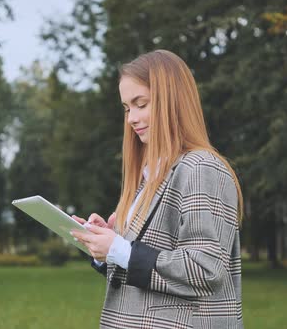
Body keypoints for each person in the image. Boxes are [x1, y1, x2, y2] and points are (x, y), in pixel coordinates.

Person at [70, 49, 243, 329]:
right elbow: (146, 271)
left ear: (172, 101)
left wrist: (120, 249)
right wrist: (108, 246)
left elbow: (206, 269)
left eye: (141, 104)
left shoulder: (201, 168)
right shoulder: (149, 176)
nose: (131, 119)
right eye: (127, 108)